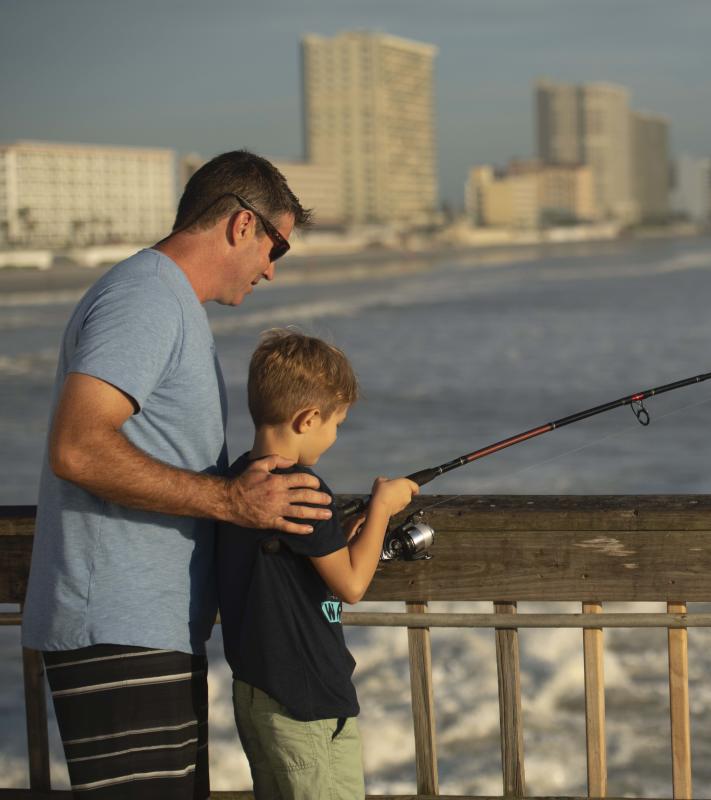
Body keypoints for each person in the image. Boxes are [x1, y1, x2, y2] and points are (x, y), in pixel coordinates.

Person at [21, 151, 333, 799]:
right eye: (277, 247)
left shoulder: (164, 299)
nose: (272, 270)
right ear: (241, 226)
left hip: (143, 628)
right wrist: (230, 500)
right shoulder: (145, 299)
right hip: (118, 626)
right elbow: (77, 447)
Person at [217, 329, 418, 799]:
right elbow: (350, 585)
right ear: (308, 419)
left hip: (257, 693)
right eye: (336, 423)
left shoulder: (235, 485)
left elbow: (288, 563)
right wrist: (383, 507)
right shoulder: (305, 491)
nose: (335, 435)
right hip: (307, 701)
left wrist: (348, 536)